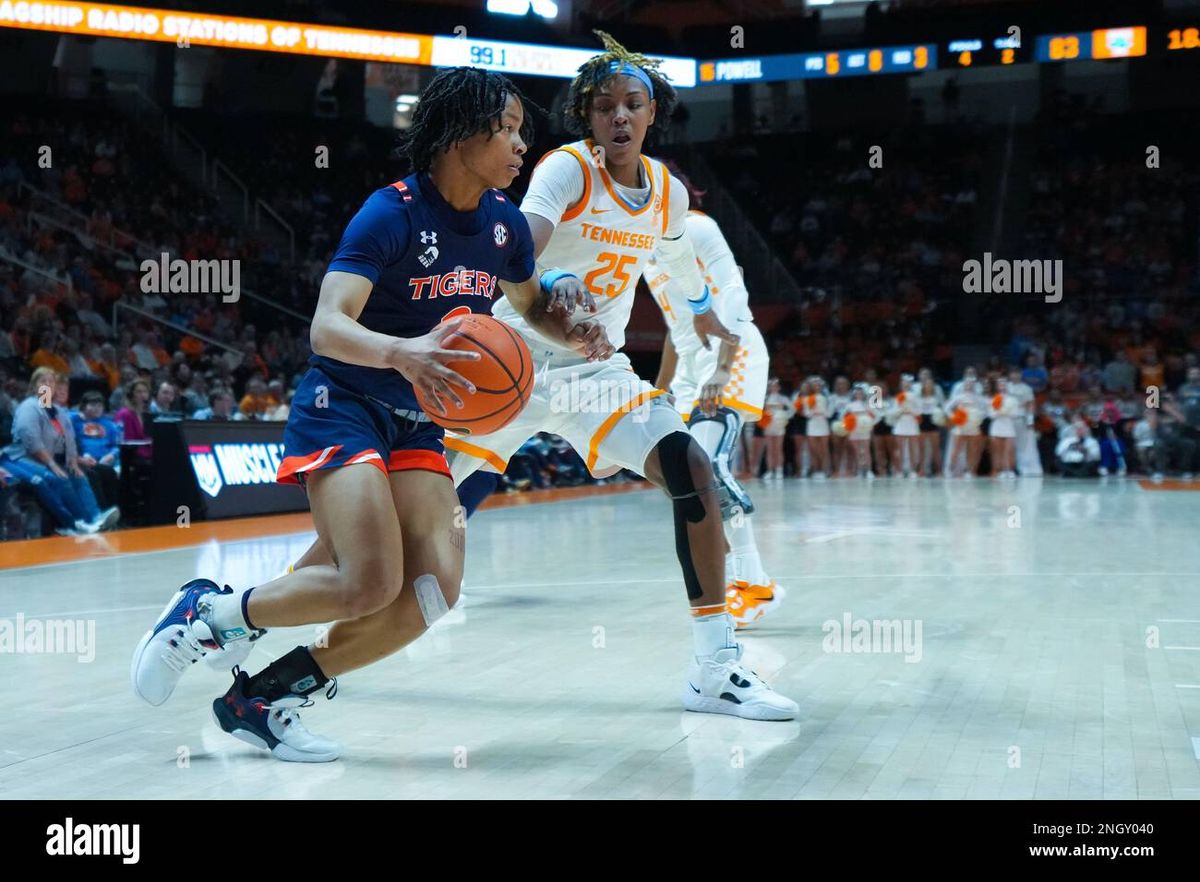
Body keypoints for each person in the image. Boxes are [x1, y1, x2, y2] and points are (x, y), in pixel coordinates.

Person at [130, 66, 616, 761]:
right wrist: (404, 353)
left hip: (417, 419)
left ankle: (266, 696)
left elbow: (534, 303)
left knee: (430, 592)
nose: (519, 146)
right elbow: (328, 326)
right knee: (367, 581)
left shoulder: (506, 227)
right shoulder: (391, 212)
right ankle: (207, 617)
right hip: (345, 404)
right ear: (458, 134)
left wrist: (571, 330)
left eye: (520, 132)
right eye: (506, 129)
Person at [445, 32, 796, 719]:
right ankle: (237, 618)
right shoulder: (565, 170)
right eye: (605, 106)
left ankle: (715, 666)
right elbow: (515, 252)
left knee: (690, 469)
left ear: (653, 113)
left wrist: (706, 318)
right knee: (401, 523)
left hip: (593, 371)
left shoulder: (667, 193)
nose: (620, 117)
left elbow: (676, 265)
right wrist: (560, 284)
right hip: (510, 358)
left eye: (633, 104)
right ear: (588, 117)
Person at [644, 171, 784, 628]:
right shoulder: (645, 249)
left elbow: (733, 297)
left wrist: (721, 371)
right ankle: (735, 580)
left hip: (732, 351)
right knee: (686, 475)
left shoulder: (699, 227)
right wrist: (660, 389)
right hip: (688, 367)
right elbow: (674, 325)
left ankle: (756, 585)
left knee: (713, 467)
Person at [0, 367, 119, 534]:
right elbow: (31, 440)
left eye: (51, 382)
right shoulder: (29, 407)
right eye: (43, 381)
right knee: (58, 477)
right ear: (35, 386)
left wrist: (72, 461)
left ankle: (94, 518)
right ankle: (76, 523)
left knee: (78, 475)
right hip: (21, 457)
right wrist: (52, 464)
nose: (48, 385)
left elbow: (69, 439)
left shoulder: (58, 412)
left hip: (45, 459)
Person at [70, 389, 121, 509]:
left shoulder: (108, 424)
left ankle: (113, 510)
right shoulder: (75, 421)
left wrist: (112, 455)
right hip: (85, 460)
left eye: (100, 405)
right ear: (83, 406)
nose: (97, 408)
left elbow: (116, 446)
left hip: (106, 460)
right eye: (92, 405)